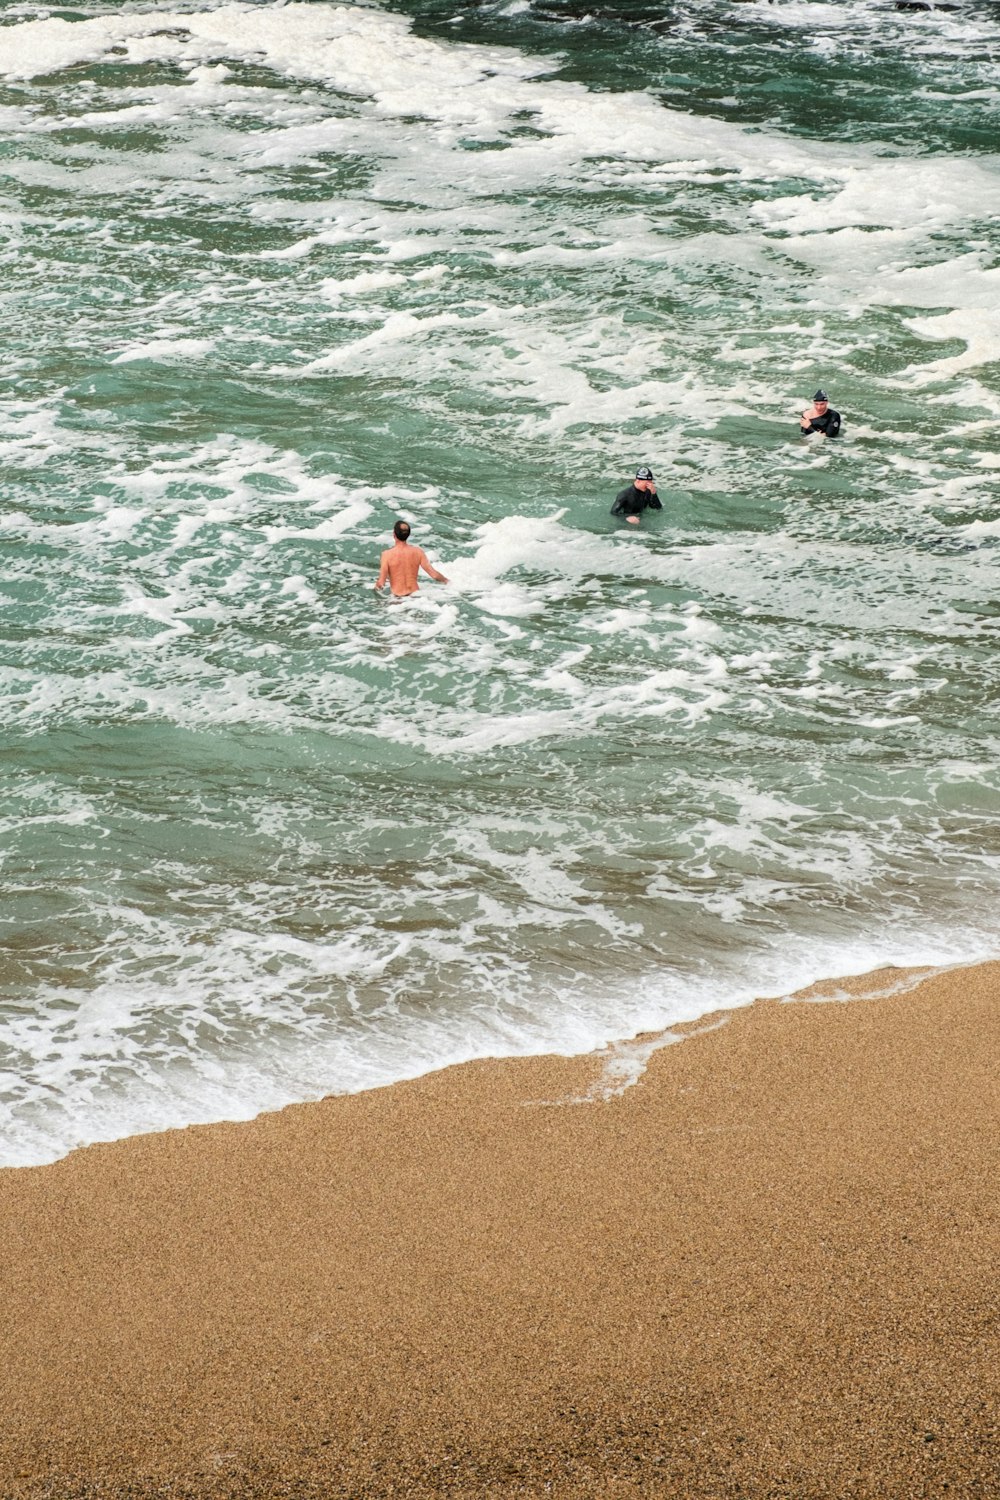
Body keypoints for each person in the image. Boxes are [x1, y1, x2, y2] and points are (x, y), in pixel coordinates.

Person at [374, 519, 449, 597]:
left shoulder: (386, 555)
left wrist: (375, 590)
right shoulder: (418, 552)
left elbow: (381, 583)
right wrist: (448, 581)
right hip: (415, 598)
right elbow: (435, 575)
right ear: (408, 535)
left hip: (397, 601)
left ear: (394, 534)